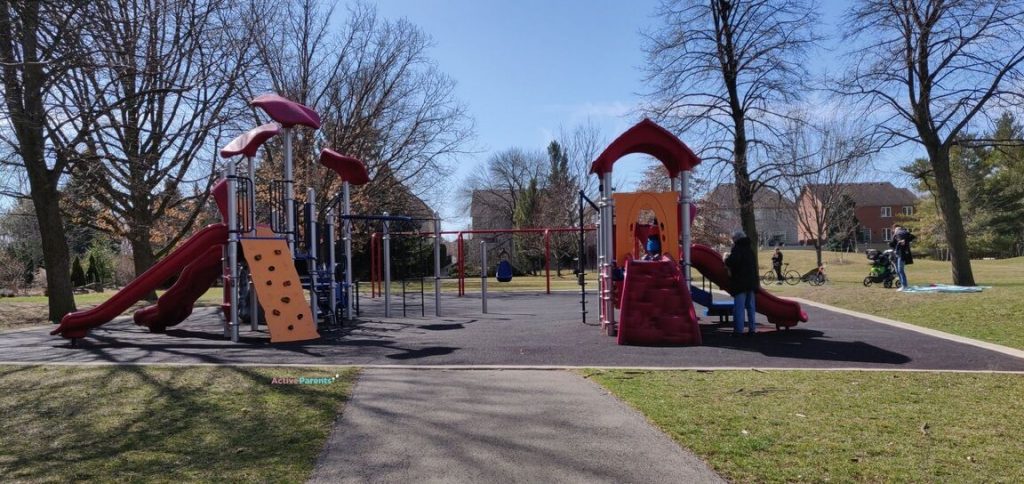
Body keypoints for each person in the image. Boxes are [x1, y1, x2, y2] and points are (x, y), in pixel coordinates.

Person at [725, 229, 759, 336]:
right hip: (751, 282)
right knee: (750, 307)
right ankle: (752, 329)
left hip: (740, 282)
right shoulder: (750, 249)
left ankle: (738, 330)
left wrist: (726, 258)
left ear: (736, 239)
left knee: (739, 308)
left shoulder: (737, 248)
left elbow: (733, 262)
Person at [889, 224, 916, 290]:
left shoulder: (899, 233)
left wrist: (903, 241)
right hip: (898, 254)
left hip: (901, 254)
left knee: (900, 270)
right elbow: (893, 243)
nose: (895, 231)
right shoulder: (901, 233)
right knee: (898, 271)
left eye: (896, 229)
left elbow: (911, 237)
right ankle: (903, 285)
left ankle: (904, 286)